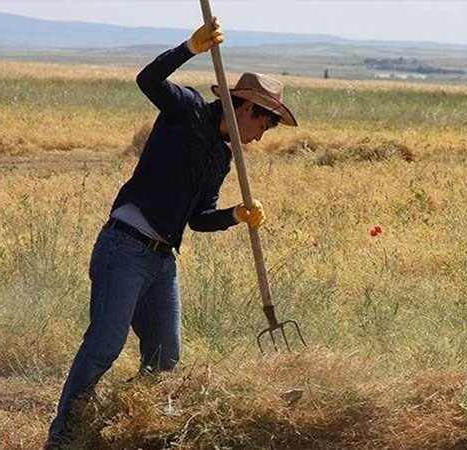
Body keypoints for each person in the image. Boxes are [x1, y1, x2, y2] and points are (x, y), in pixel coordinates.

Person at [45, 17, 297, 448]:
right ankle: (63, 434)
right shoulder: (188, 110)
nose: (259, 137)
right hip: (124, 245)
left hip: (162, 261)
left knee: (165, 360)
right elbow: (147, 79)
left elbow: (199, 218)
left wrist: (235, 214)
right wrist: (189, 48)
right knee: (105, 345)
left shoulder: (222, 158)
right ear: (246, 109)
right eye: (262, 126)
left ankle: (117, 423)